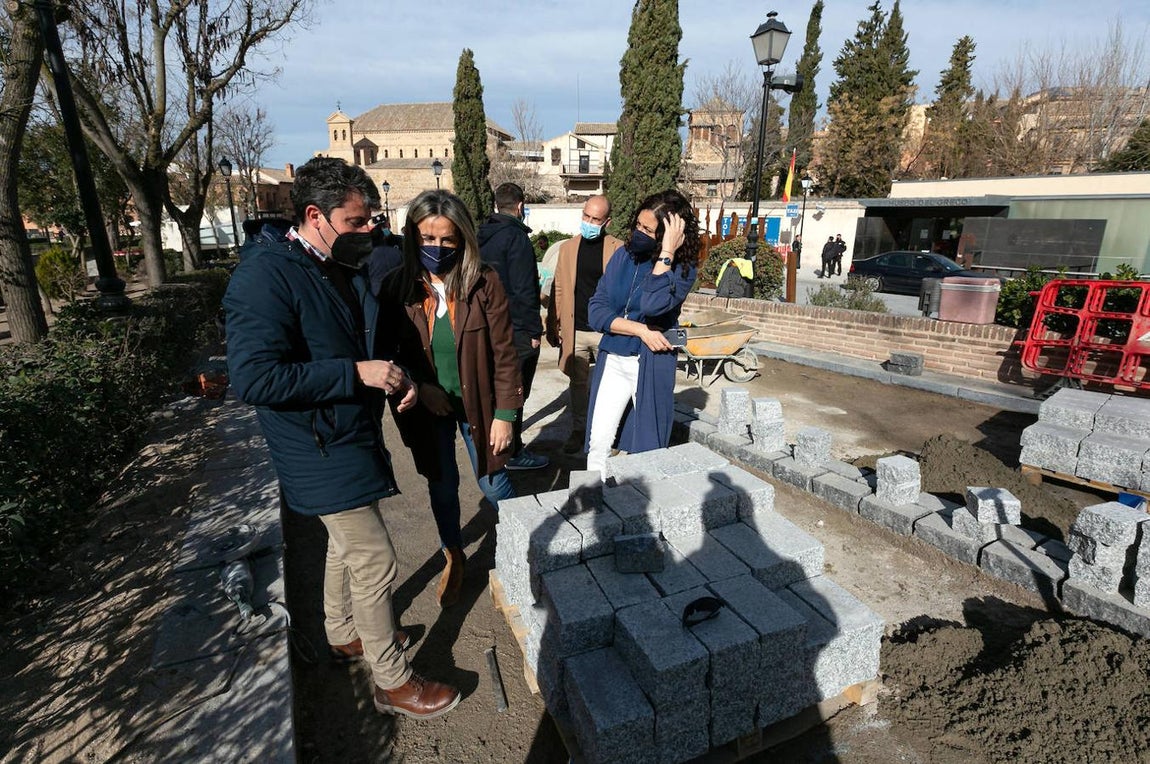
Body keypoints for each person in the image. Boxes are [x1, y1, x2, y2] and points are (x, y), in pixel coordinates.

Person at [223, 157, 460, 719]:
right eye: (357, 222)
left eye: (372, 219)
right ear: (314, 216)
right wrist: (358, 373)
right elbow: (254, 377)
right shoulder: (265, 276)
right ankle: (394, 682)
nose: (369, 231)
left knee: (345, 545)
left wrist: (390, 377)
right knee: (375, 558)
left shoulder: (332, 264)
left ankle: (344, 632)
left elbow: (353, 338)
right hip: (315, 443)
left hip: (346, 433)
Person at [380, 189, 523, 607]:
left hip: (477, 405)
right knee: (442, 484)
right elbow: (389, 352)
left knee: (493, 482)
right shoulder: (398, 286)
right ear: (412, 236)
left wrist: (505, 414)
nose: (436, 247)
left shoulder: (484, 281)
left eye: (446, 239)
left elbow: (504, 352)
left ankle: (528, 538)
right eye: (427, 238)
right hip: (427, 407)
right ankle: (453, 553)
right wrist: (419, 386)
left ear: (462, 239)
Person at [584, 189, 700, 476]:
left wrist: (667, 254)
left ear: (667, 234)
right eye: (638, 225)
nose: (639, 233)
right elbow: (596, 311)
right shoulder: (623, 256)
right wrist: (640, 330)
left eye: (648, 230)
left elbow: (653, 304)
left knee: (648, 445)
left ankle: (639, 510)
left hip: (650, 362)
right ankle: (592, 502)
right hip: (614, 356)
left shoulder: (683, 269)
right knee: (598, 441)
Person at [478, 182, 548, 471]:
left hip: (485, 324)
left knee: (494, 387)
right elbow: (524, 290)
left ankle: (491, 443)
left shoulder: (480, 234)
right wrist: (533, 332)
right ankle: (513, 453)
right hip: (515, 329)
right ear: (520, 206)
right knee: (515, 391)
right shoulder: (516, 238)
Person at [545, 195, 624, 454]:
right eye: (586, 216)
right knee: (578, 385)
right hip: (576, 329)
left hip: (606, 331)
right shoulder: (568, 248)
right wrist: (553, 324)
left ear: (607, 222)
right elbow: (559, 287)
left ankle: (607, 434)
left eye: (595, 219)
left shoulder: (619, 249)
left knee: (609, 386)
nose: (589, 222)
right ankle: (579, 430)